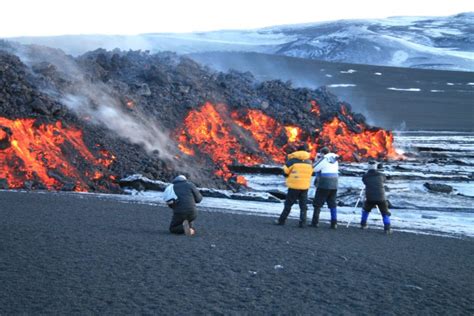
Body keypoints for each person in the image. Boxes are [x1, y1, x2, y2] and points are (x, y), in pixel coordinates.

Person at [274, 144, 313, 227]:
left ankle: (281, 220)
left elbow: (285, 171)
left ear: (297, 151)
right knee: (303, 205)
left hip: (294, 186)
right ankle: (302, 222)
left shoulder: (292, 161)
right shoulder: (309, 162)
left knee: (288, 204)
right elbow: (311, 173)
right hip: (305, 186)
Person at [360, 161, 392, 234]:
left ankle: (363, 224)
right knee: (384, 212)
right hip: (381, 197)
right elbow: (384, 180)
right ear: (376, 167)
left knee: (366, 210)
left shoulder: (365, 176)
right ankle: (387, 228)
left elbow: (365, 182)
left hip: (370, 197)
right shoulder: (381, 175)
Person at [311, 147, 339, 229]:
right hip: (335, 182)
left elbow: (315, 168)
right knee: (332, 203)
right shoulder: (335, 159)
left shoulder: (324, 159)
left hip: (325, 183)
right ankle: (334, 223)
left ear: (322, 153)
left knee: (318, 203)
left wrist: (317, 159)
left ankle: (315, 222)